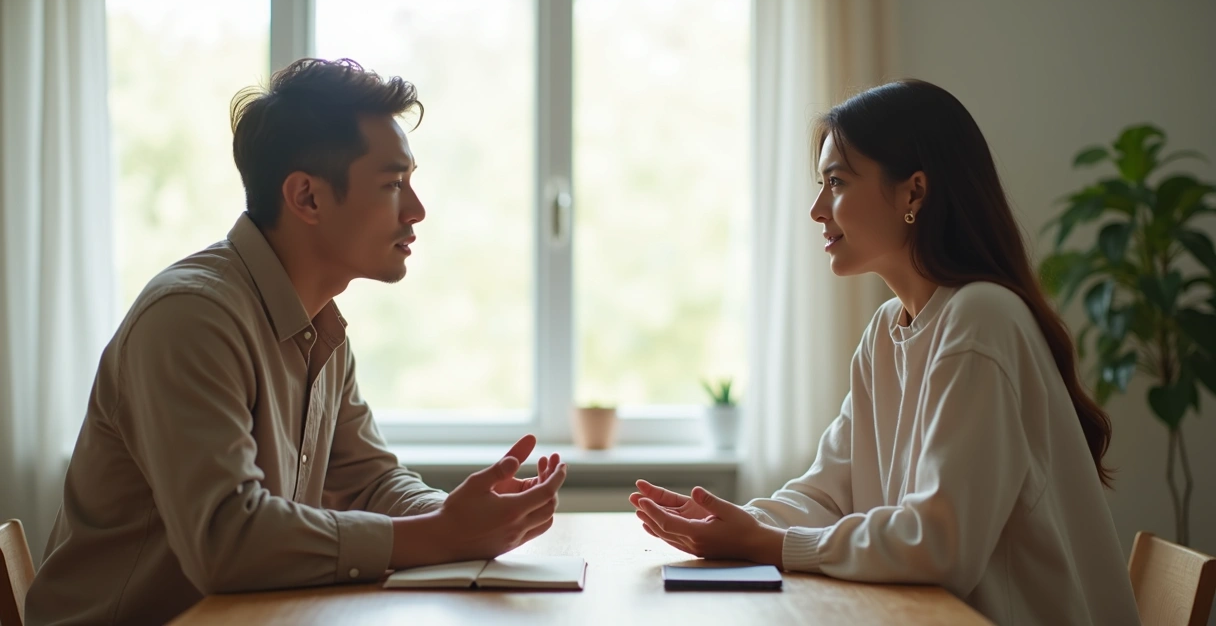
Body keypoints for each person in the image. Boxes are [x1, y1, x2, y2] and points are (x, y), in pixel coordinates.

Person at [24, 58, 567, 625]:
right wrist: (439, 535)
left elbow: (369, 482)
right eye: (392, 184)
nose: (417, 210)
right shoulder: (191, 318)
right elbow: (227, 541)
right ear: (307, 197)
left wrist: (459, 516)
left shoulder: (319, 326)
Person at [630, 80, 1140, 625]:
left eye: (836, 182)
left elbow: (939, 548)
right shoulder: (886, 332)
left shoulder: (982, 319)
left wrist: (769, 544)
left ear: (913, 193)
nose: (816, 209)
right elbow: (829, 494)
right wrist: (732, 521)